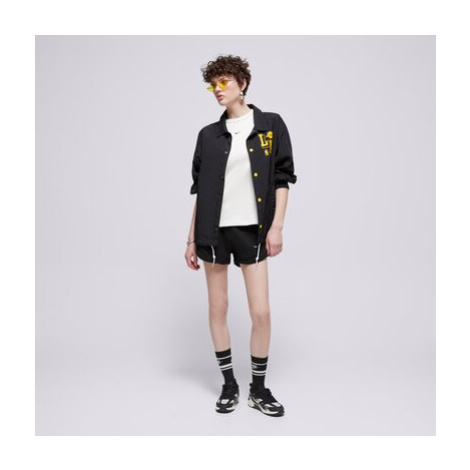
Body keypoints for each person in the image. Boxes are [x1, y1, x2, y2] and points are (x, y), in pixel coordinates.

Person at [184, 54, 297, 417]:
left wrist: (277, 226)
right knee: (218, 308)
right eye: (213, 85)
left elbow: (282, 179)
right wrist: (191, 239)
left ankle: (258, 389)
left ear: (242, 83)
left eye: (224, 82)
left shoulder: (270, 125)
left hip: (254, 230)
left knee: (261, 312)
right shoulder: (208, 135)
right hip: (212, 232)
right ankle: (229, 384)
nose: (218, 90)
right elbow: (201, 191)